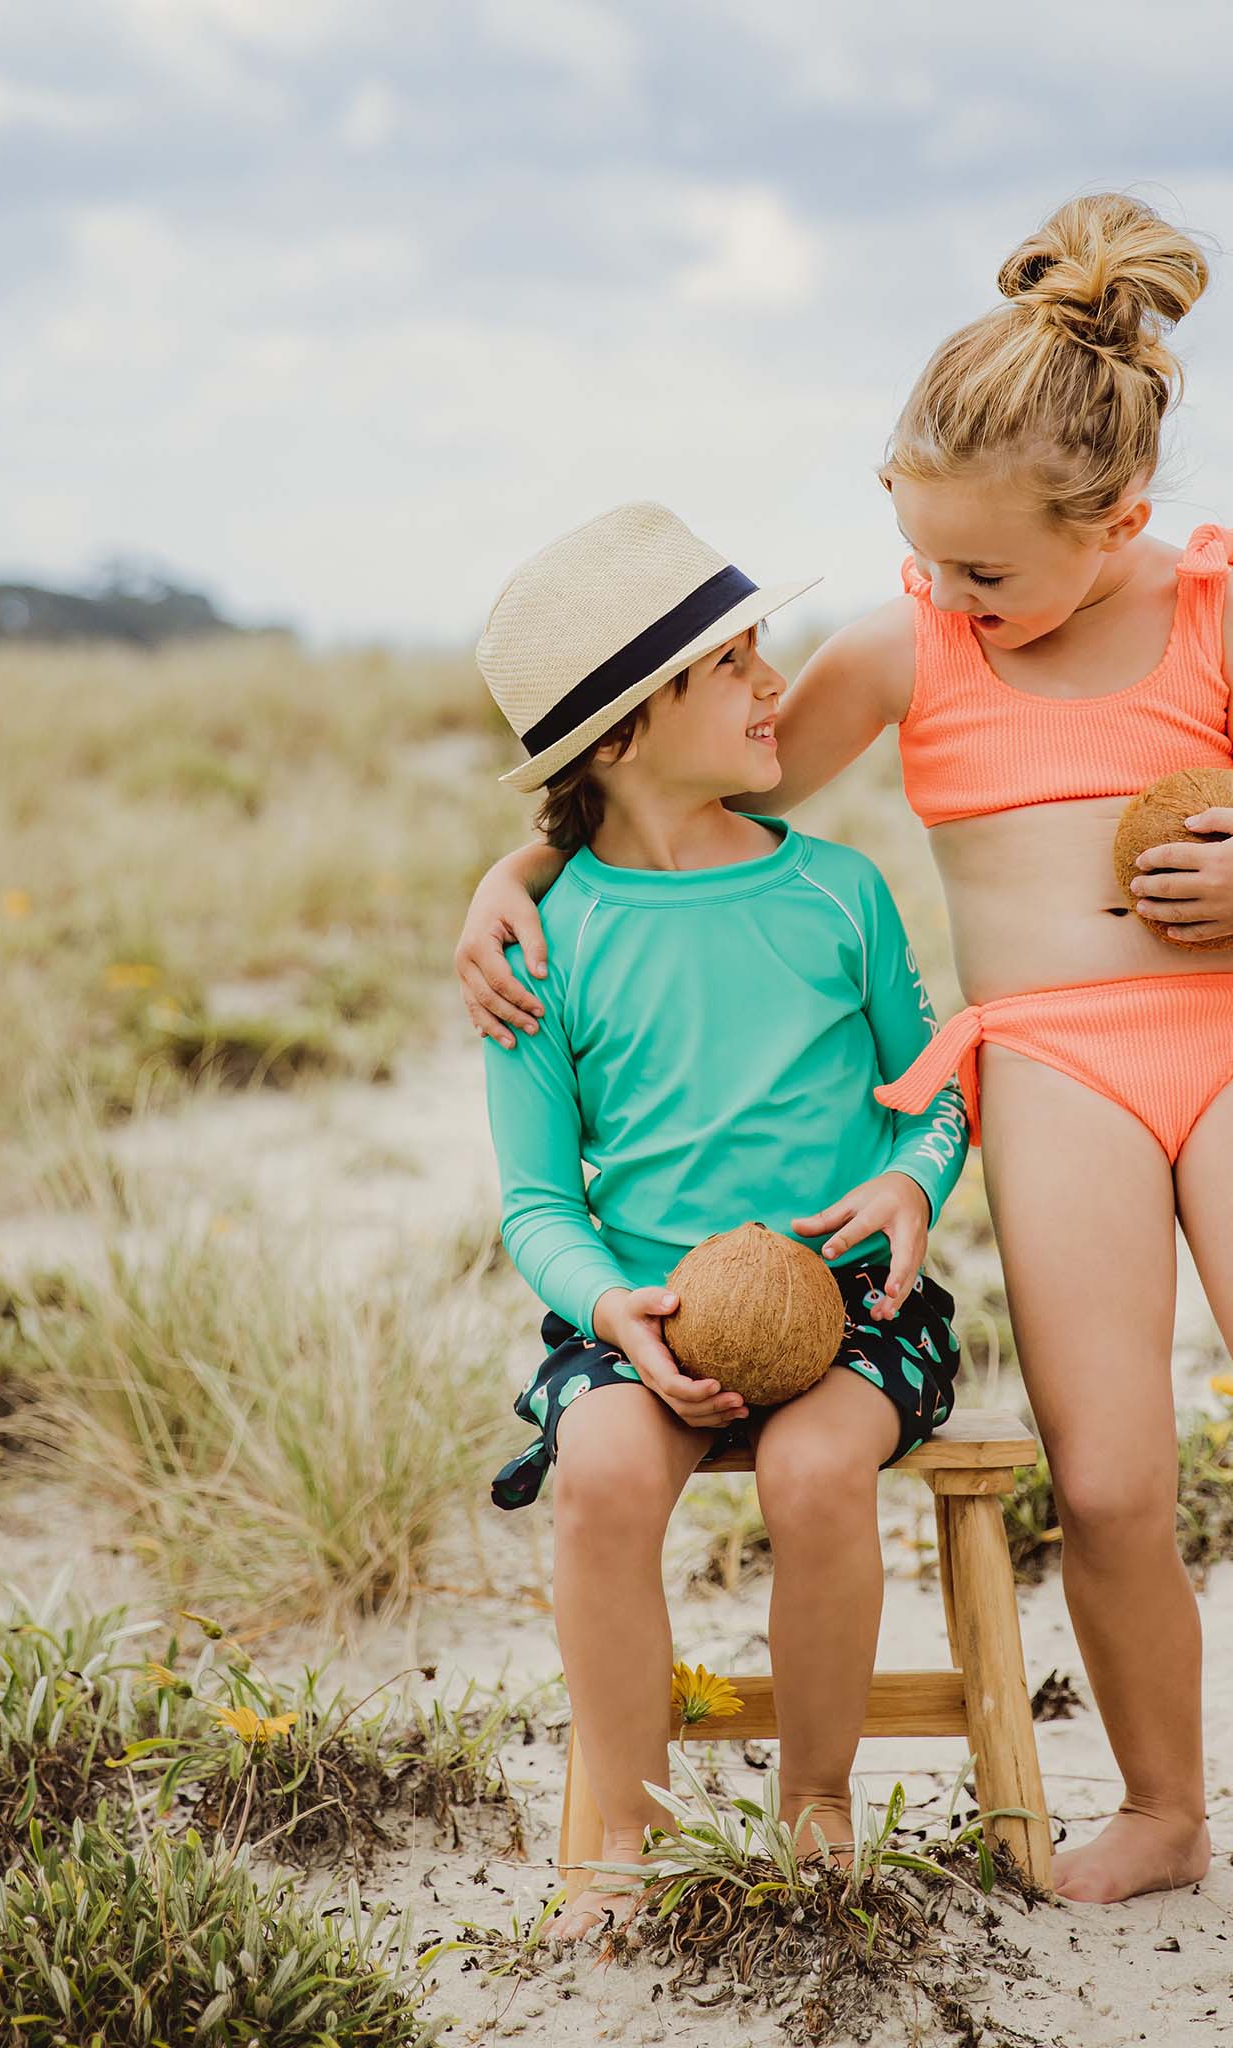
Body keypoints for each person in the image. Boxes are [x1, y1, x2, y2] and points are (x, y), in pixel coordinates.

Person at [458, 197, 1233, 1930]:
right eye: (922, 556)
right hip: (1054, 1074)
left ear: (1120, 524)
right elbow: (690, 792)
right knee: (1114, 1480)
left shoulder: (1227, 617)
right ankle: (1164, 1808)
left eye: (985, 568)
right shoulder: (911, 648)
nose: (948, 592)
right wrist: (519, 870)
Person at [474, 500, 970, 1942]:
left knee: (819, 1476)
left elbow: (931, 1090)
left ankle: (816, 1801)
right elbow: (536, 1198)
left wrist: (912, 1183)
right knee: (602, 1475)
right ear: (622, 735)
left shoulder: (837, 892)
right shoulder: (542, 946)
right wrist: (611, 1306)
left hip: (858, 1314)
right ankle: (621, 1832)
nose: (777, 686)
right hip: (639, 1319)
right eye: (734, 666)